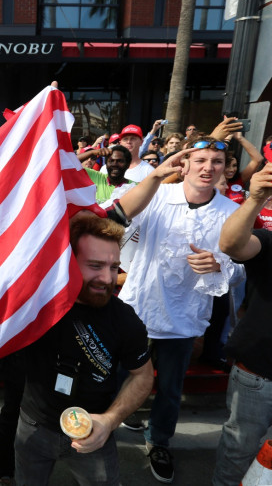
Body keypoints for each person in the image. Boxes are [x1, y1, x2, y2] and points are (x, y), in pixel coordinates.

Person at [115, 137, 244, 483]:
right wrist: (155, 176)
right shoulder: (156, 196)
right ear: (184, 163)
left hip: (183, 317)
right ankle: (111, 422)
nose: (208, 167)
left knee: (170, 388)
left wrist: (219, 266)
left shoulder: (232, 213)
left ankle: (158, 440)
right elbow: (118, 216)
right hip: (137, 307)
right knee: (120, 375)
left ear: (224, 168)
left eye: (216, 161)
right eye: (200, 159)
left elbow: (242, 267)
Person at [14, 216, 154, 486]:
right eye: (95, 266)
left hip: (94, 434)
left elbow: (142, 376)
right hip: (33, 426)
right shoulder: (38, 304)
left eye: (114, 267)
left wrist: (109, 422)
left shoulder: (125, 320)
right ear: (70, 261)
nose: (107, 278)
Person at [212, 161, 272, 486]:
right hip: (260, 377)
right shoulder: (269, 240)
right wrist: (255, 198)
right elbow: (232, 245)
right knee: (237, 457)